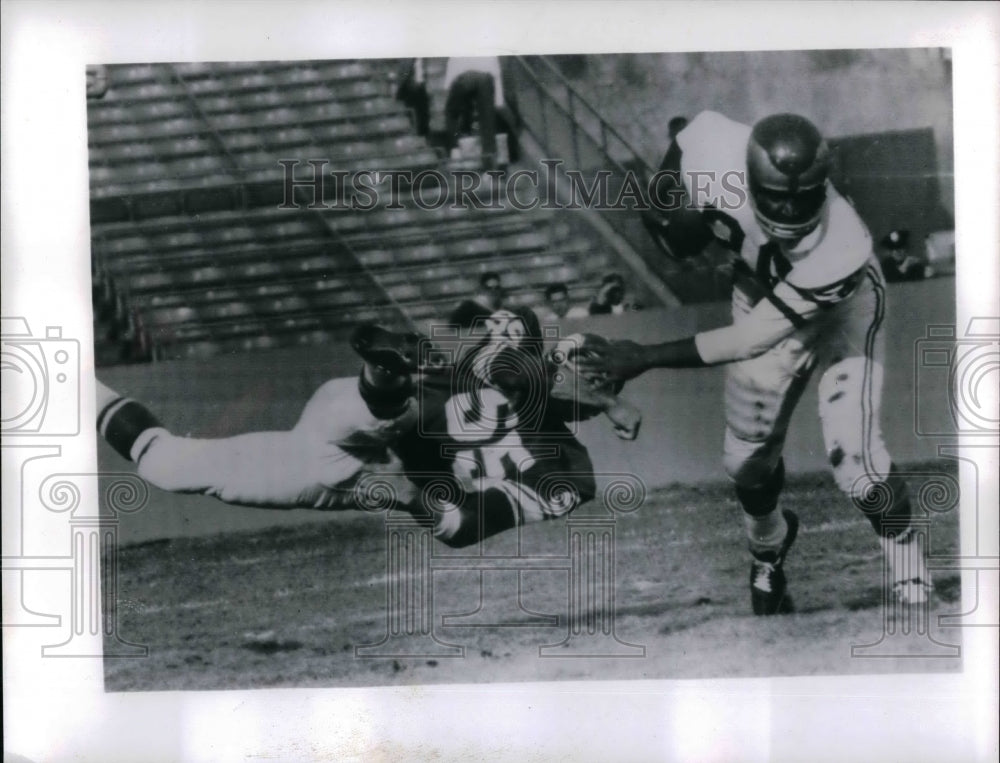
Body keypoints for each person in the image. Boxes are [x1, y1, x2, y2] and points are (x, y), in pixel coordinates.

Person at [578, 111, 932, 613]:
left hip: (841, 312)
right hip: (758, 291)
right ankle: (768, 548)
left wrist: (645, 356)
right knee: (745, 464)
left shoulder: (843, 245)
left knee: (857, 463)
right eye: (776, 196)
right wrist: (668, 211)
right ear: (748, 179)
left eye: (803, 196)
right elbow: (687, 132)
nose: (789, 210)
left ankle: (911, 577)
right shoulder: (713, 149)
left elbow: (748, 339)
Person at [95, 312, 641, 549]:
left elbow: (458, 528)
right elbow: (509, 359)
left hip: (366, 476)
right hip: (372, 436)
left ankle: (383, 379)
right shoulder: (510, 374)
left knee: (164, 467)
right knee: (361, 414)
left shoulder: (568, 477)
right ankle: (384, 377)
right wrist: (606, 397)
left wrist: (404, 496)